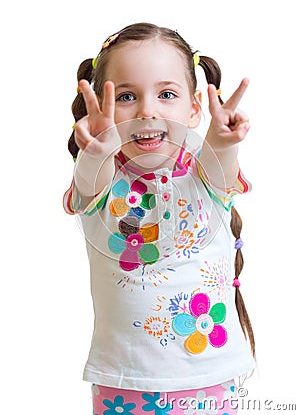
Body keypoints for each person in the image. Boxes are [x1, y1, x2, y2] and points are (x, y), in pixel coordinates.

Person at [64, 22, 256, 414]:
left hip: (210, 375)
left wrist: (221, 140)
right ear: (100, 107)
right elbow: (88, 179)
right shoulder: (105, 179)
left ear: (193, 110)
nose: (147, 110)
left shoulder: (206, 175)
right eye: (128, 96)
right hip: (125, 381)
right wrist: (97, 151)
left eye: (166, 94)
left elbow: (219, 161)